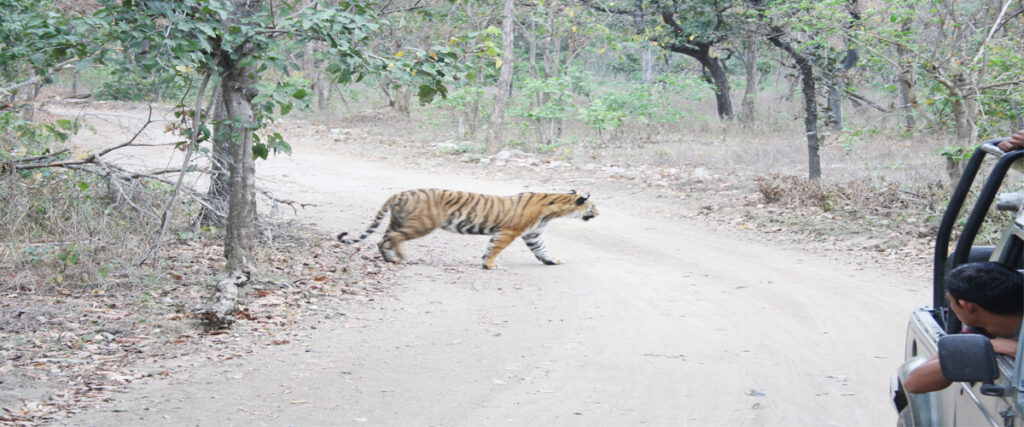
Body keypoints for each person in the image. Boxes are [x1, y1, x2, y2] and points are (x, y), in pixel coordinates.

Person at [903, 261, 1023, 394]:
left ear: (966, 305)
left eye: (951, 301)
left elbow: (913, 384)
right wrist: (989, 346)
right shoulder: (982, 332)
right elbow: (914, 382)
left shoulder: (985, 332)